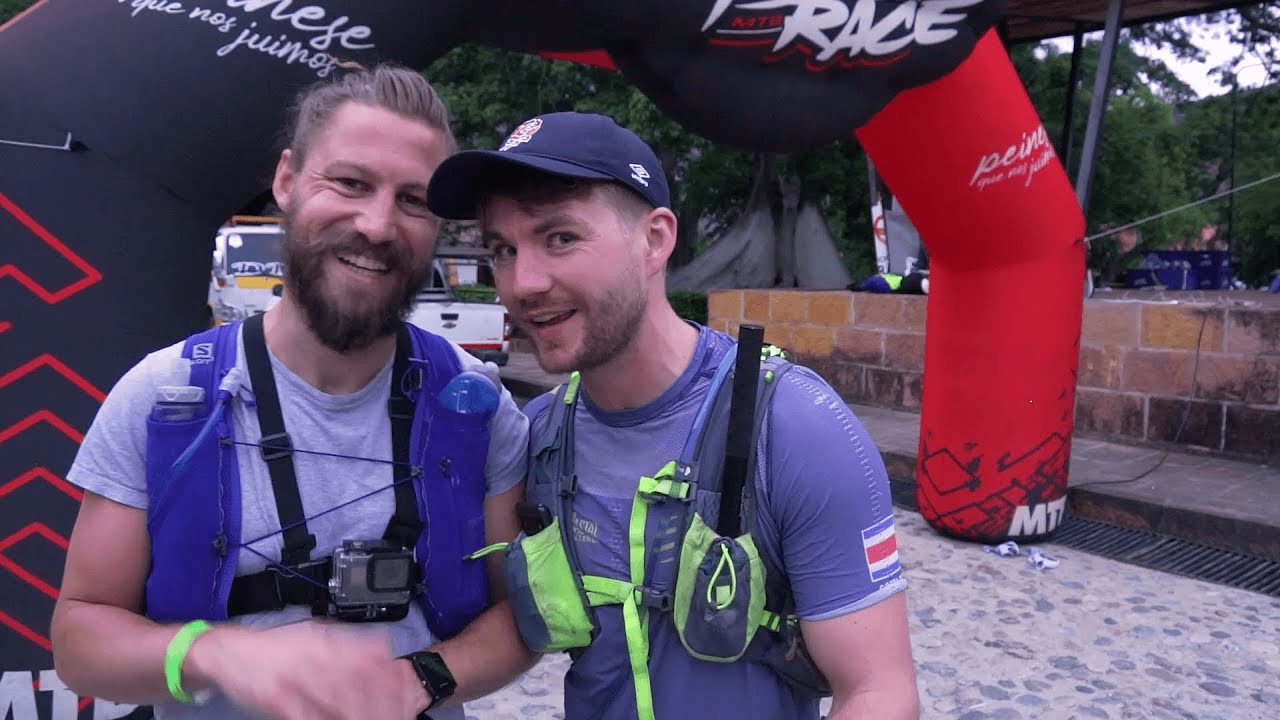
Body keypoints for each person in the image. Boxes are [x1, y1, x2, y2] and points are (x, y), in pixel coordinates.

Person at [51, 63, 537, 720]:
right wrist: (216, 654)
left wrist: (418, 677)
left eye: (413, 199)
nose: (376, 224)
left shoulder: (476, 410)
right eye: (350, 182)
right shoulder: (164, 400)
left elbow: (524, 617)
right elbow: (80, 639)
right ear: (286, 180)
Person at [425, 112, 920, 720]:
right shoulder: (547, 435)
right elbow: (514, 625)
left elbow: (878, 691)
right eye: (502, 249)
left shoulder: (792, 427)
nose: (523, 282)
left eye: (560, 238)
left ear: (655, 240)